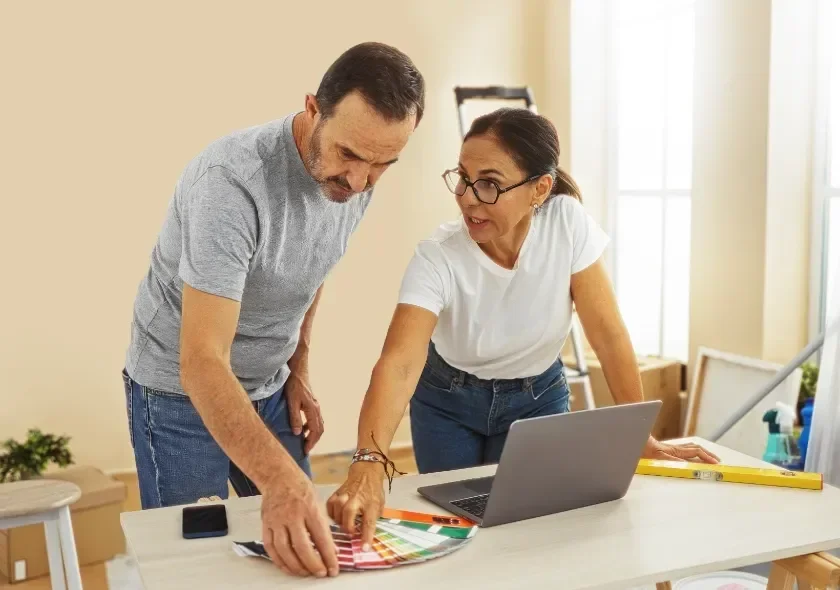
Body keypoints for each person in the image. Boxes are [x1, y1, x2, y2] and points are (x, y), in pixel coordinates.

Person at [326, 107, 719, 547]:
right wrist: (368, 461)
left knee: (534, 533)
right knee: (457, 532)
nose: (468, 197)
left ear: (540, 189)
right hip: (447, 402)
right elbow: (399, 364)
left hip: (536, 400)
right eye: (463, 177)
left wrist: (637, 434)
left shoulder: (567, 223)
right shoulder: (438, 256)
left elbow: (606, 334)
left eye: (490, 184)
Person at [121, 42, 424, 578]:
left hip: (269, 382)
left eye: (382, 165)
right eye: (350, 155)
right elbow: (202, 361)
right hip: (178, 390)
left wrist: (298, 370)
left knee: (299, 544)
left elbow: (310, 269)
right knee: (193, 567)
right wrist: (282, 481)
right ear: (313, 109)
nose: (358, 182)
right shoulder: (231, 184)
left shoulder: (357, 177)